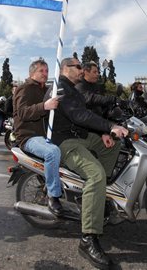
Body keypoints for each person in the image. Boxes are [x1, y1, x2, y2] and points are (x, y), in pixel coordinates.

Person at [45, 57, 128, 269]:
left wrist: (103, 133)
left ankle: (100, 194)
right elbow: (79, 114)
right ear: (65, 69)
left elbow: (86, 115)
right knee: (96, 174)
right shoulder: (59, 88)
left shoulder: (72, 88)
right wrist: (109, 126)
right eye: (78, 66)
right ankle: (88, 238)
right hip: (65, 142)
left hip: (81, 135)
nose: (82, 70)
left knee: (115, 145)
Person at [12, 59, 62, 214]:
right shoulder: (24, 88)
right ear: (32, 72)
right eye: (42, 70)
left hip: (45, 136)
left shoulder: (46, 90)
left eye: (47, 71)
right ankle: (53, 196)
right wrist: (44, 106)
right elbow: (23, 112)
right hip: (28, 137)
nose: (45, 74)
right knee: (52, 152)